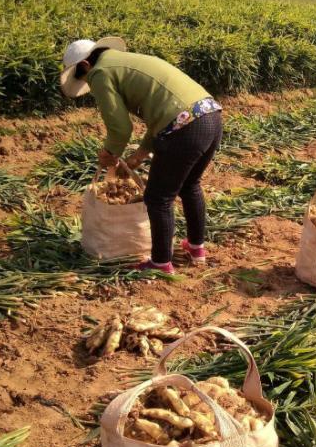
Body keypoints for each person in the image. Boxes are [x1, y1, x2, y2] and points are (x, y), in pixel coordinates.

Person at [60, 37, 222, 274]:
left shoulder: (100, 73)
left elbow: (120, 127)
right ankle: (196, 249)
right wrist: (142, 152)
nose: (88, 84)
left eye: (82, 77)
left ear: (85, 66)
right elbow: (160, 114)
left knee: (158, 198)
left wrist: (109, 153)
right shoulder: (126, 61)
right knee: (189, 185)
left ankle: (160, 263)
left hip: (184, 127)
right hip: (210, 116)